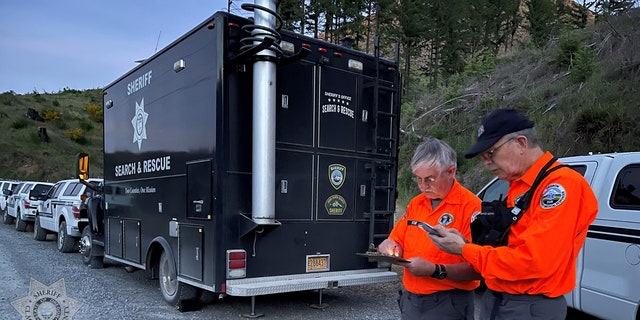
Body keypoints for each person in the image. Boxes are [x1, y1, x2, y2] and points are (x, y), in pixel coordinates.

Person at [429, 109, 598, 320]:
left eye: (490, 153)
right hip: (499, 299)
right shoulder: (519, 185)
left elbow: (533, 262)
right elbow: (511, 244)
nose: (485, 162)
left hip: (529, 306)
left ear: (520, 143)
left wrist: (465, 250)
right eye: (482, 157)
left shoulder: (560, 186)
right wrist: (464, 242)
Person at [378, 136, 481, 320]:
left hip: (449, 303)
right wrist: (389, 246)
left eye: (430, 179)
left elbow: (479, 268)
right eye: (418, 179)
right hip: (411, 301)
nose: (423, 186)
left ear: (451, 171)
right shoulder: (415, 204)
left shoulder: (472, 207)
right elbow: (396, 239)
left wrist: (435, 270)